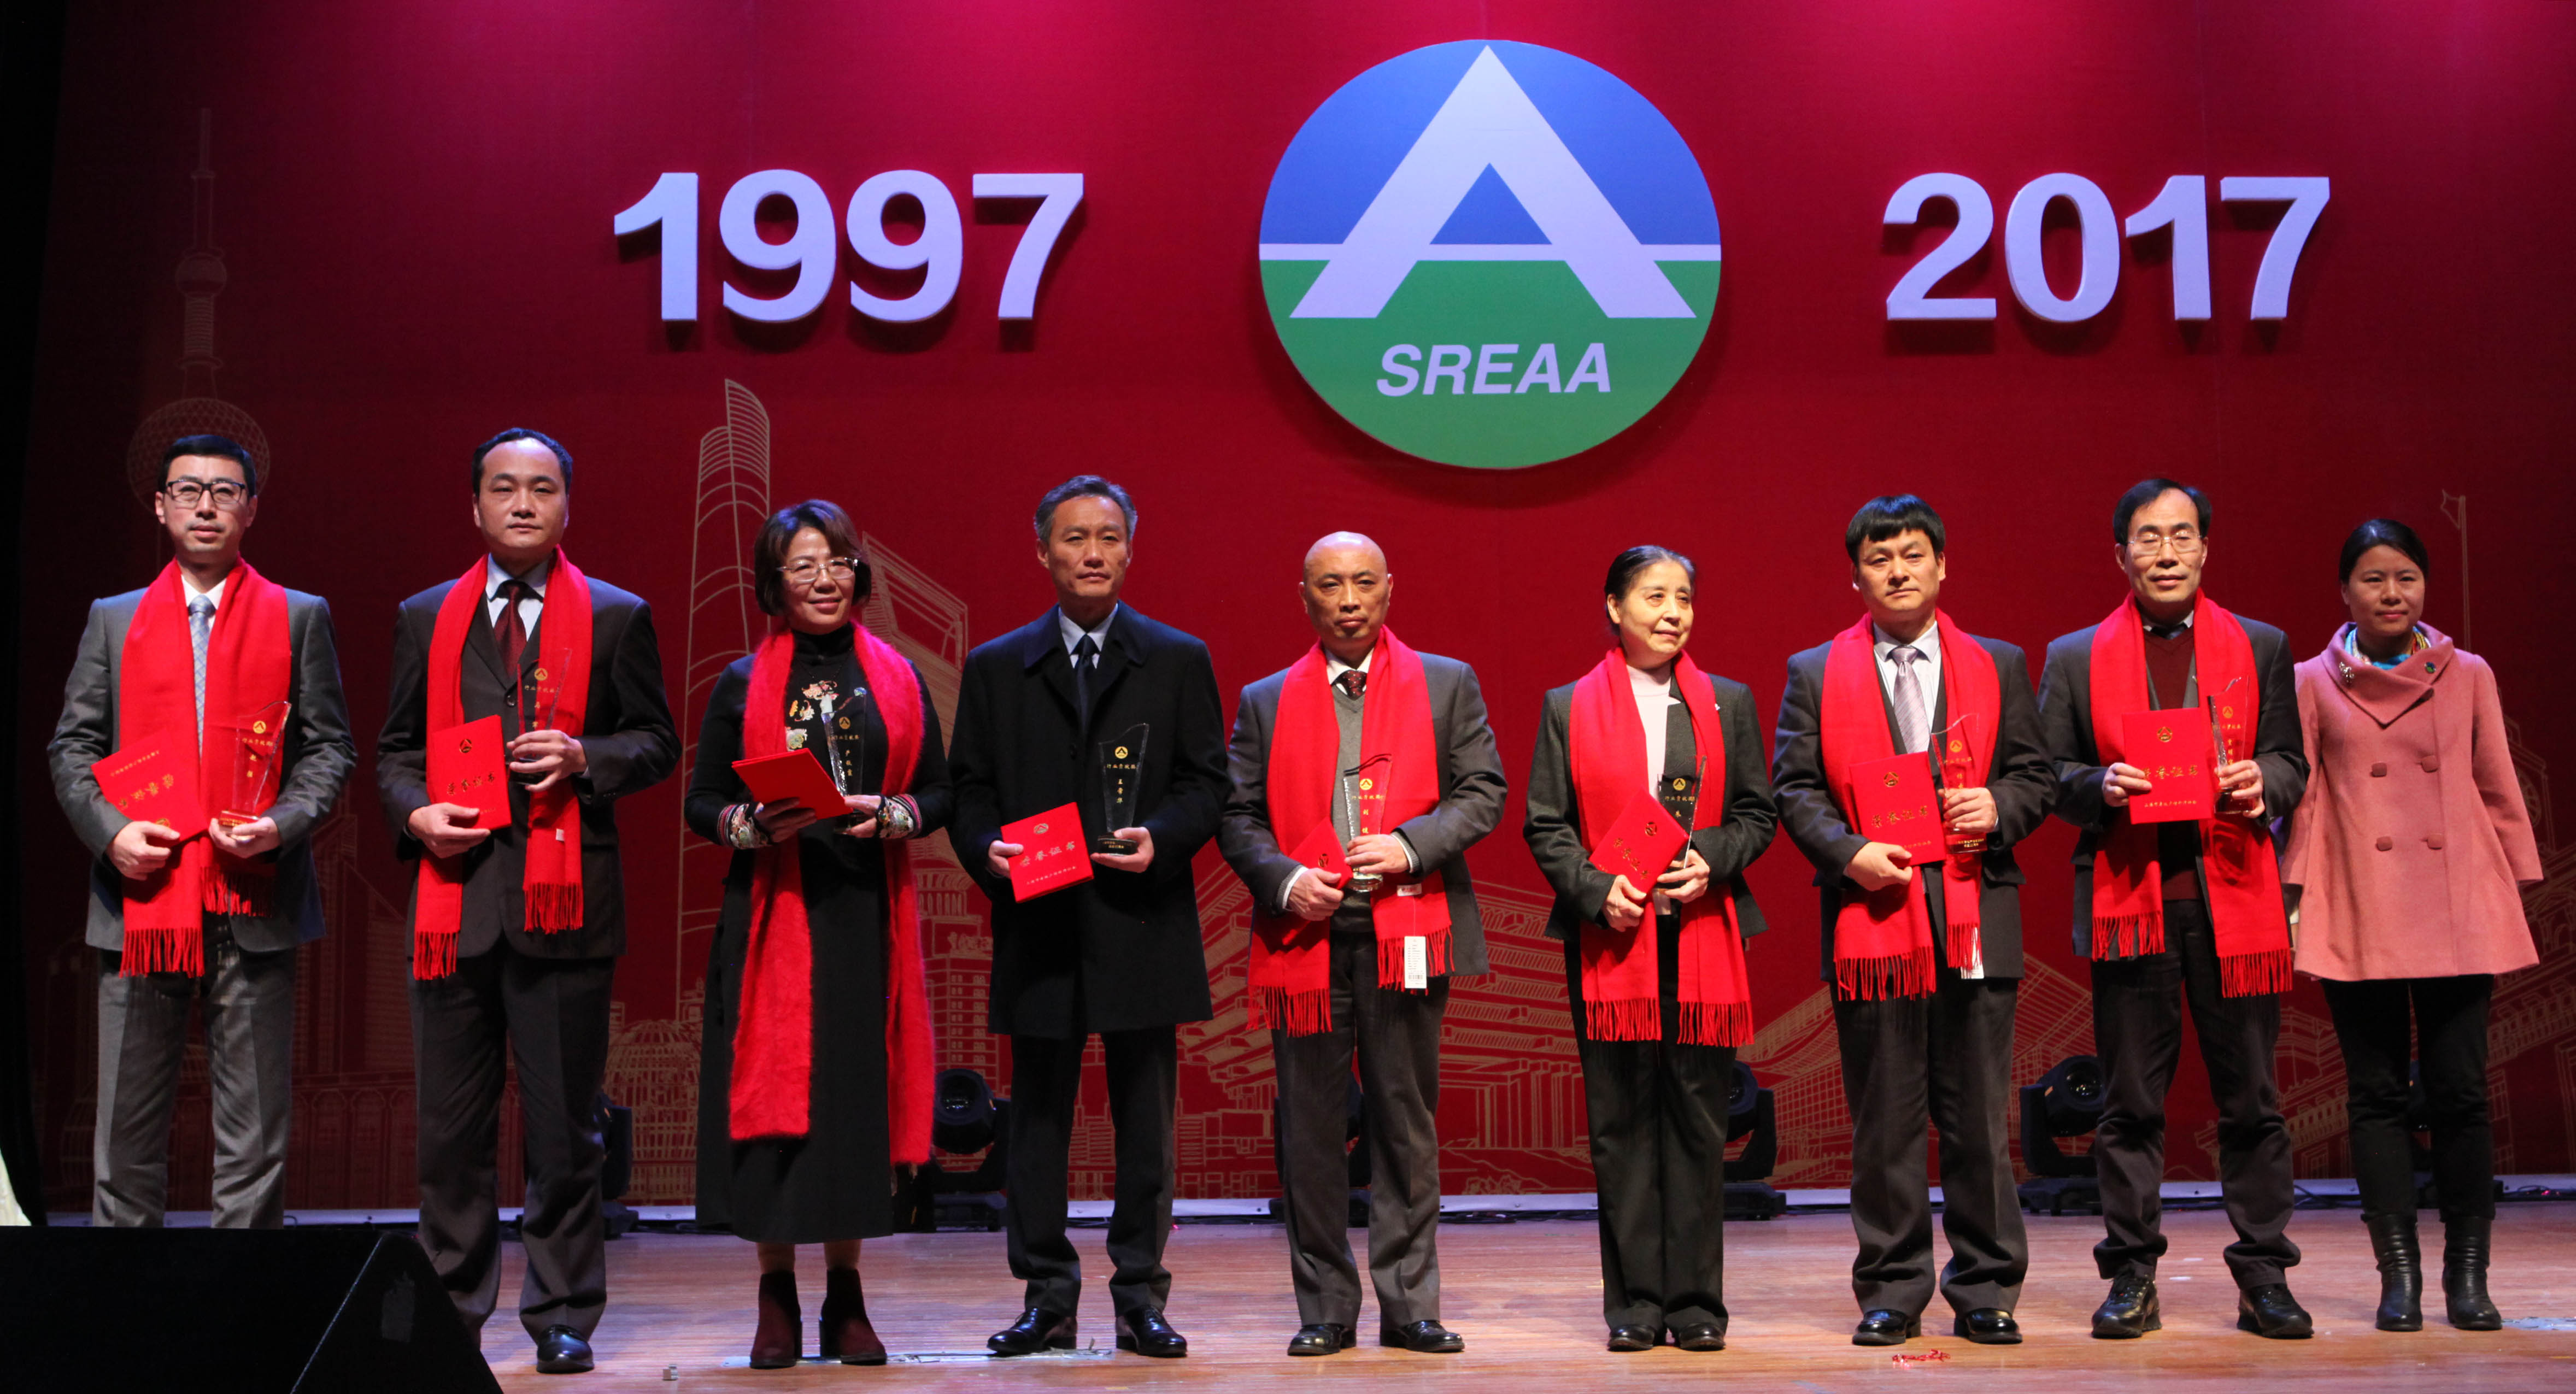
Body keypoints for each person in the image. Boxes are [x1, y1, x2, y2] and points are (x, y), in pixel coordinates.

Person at [376, 429, 678, 1374]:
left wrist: (589, 756)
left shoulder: (618, 616)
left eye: (540, 489)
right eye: (503, 488)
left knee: (564, 1133)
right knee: (450, 1138)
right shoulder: (425, 616)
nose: (521, 503)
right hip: (456, 904)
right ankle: (453, 1310)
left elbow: (657, 741)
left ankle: (562, 1314)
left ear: (565, 506)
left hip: (566, 908)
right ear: (474, 506)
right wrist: (416, 813)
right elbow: (394, 752)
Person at [947, 476, 1227, 1359]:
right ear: (1043, 552)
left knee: (1146, 1125)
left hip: (1140, 918)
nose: (1093, 553)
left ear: (1130, 550)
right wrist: (986, 849)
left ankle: (1141, 1297)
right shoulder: (997, 666)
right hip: (1040, 919)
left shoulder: (1176, 658)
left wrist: (1163, 839)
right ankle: (1046, 1297)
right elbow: (968, 791)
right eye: (1074, 538)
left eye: (1108, 537)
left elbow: (1207, 783)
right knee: (1036, 1123)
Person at [48, 433, 354, 1229]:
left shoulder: (299, 615)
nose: (207, 506)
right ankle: (126, 1297)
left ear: (251, 508)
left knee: (254, 1144)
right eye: (188, 490)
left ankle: (242, 1299)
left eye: (225, 491)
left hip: (253, 898)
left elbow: (328, 749)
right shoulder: (113, 620)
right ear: (160, 506)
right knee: (125, 1139)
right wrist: (112, 834)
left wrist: (280, 826)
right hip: (141, 902)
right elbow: (72, 749)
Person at [1770, 497, 2055, 1348]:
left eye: (1911, 554)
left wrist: (1997, 806)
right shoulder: (1815, 672)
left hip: (1975, 917)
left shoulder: (1997, 663)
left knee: (1977, 1122)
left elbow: (2036, 776)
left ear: (1941, 565)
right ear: (1855, 577)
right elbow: (1794, 789)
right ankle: (1891, 1289)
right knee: (1886, 1124)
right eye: (1878, 558)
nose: (1897, 571)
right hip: (1872, 917)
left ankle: (1986, 1289)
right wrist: (1847, 852)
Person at [2036, 478, 2311, 1340]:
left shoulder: (2259, 645)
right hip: (2132, 903)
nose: (2166, 552)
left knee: (2252, 1102)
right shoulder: (2075, 656)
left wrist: (2261, 781)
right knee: (2129, 1105)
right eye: (2148, 538)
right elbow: (2046, 775)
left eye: (2181, 535)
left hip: (2235, 903)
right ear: (2120, 554)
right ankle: (2130, 1278)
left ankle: (2264, 1277)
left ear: (2204, 548)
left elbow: (2290, 762)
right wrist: (2099, 785)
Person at [1219, 532, 1506, 1357]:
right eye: (1329, 585)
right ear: (1304, 597)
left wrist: (1412, 846)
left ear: (1389, 589)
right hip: (1305, 938)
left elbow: (1482, 790)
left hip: (1407, 932)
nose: (1348, 600)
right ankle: (1324, 1307)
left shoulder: (1446, 683)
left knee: (1404, 1126)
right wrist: (1283, 880)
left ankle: (1409, 1304)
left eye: (1363, 583)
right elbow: (1237, 816)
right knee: (1310, 1131)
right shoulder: (1266, 699)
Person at [686, 502, 949, 1367]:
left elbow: (940, 789)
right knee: (777, 1110)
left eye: (836, 562)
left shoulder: (898, 678)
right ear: (774, 584)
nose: (823, 579)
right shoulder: (741, 681)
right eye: (802, 566)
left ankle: (845, 1294)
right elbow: (701, 800)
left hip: (864, 918)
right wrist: (748, 826)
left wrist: (898, 813)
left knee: (850, 1108)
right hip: (773, 915)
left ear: (857, 574)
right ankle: (776, 1293)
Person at [2282, 519, 2542, 1332]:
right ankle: (2398, 1278)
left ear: (2424, 586)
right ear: (2344, 592)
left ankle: (2468, 1275)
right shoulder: (2310, 680)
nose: (2391, 593)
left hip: (2456, 898)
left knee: (2460, 1092)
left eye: (2406, 578)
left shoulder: (2469, 673)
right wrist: (2295, 894)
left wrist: (2510, 884)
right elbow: (2306, 798)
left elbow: (2496, 781)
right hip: (2358, 898)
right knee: (2375, 1094)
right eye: (2373, 578)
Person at [1523, 545, 1776, 1353]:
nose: (1673, 613)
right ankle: (1635, 1305)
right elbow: (1545, 823)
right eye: (1654, 597)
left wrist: (1713, 858)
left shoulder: (1727, 702)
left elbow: (1757, 815)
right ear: (1614, 607)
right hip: (1611, 940)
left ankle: (1696, 1305)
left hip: (1701, 935)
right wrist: (1597, 888)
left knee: (1700, 1126)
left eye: (1684, 598)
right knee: (1622, 1126)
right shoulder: (1567, 706)